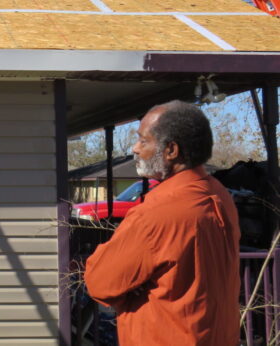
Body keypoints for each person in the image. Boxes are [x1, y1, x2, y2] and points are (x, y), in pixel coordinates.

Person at [84, 100, 241, 346]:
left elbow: (99, 282)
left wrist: (132, 289)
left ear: (171, 150)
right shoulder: (218, 194)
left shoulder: (157, 212)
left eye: (143, 141)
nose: (135, 148)